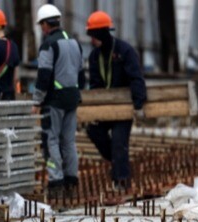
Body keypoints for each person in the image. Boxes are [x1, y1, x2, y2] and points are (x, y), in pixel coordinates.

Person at [85, 11, 147, 189]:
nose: (91, 40)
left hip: (123, 109)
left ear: (102, 33)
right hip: (105, 109)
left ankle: (121, 181)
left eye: (93, 35)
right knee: (94, 131)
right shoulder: (95, 57)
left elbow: (136, 78)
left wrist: (138, 104)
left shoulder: (124, 51)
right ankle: (119, 163)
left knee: (120, 143)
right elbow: (95, 85)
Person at [32, 4, 85, 194]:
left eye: (41, 25)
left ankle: (56, 183)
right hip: (73, 97)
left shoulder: (48, 45)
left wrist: (37, 101)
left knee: (50, 140)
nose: (41, 29)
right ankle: (71, 180)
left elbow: (44, 75)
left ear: (46, 24)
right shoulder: (74, 42)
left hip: (54, 100)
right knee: (68, 141)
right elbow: (81, 75)